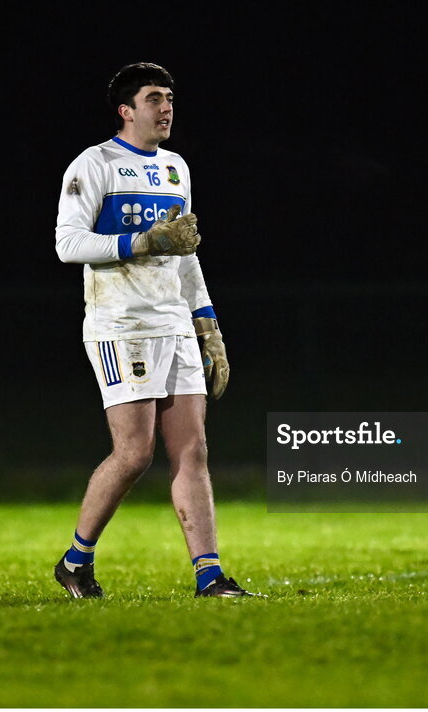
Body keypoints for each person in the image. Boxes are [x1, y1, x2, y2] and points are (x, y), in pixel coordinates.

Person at [53, 62, 255, 599]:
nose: (166, 107)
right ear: (126, 110)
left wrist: (207, 322)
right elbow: (67, 245)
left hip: (174, 323)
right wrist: (140, 243)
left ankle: (210, 577)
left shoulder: (176, 168)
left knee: (192, 450)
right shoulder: (95, 164)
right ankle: (76, 560)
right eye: (153, 98)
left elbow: (185, 254)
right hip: (122, 325)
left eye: (169, 97)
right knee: (135, 454)